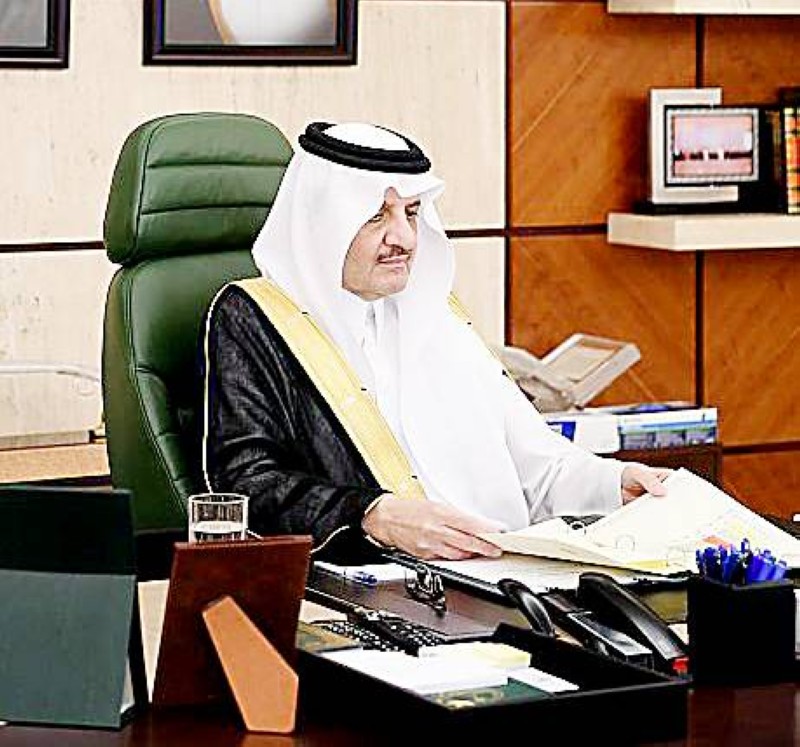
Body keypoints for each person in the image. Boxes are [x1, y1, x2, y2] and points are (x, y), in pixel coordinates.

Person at [203, 121, 668, 561]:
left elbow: (538, 464)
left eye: (411, 213)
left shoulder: (435, 312)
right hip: (377, 581)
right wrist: (370, 514)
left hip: (508, 568)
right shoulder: (260, 318)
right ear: (321, 225)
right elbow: (246, 483)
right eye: (375, 217)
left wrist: (616, 483)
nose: (404, 238)